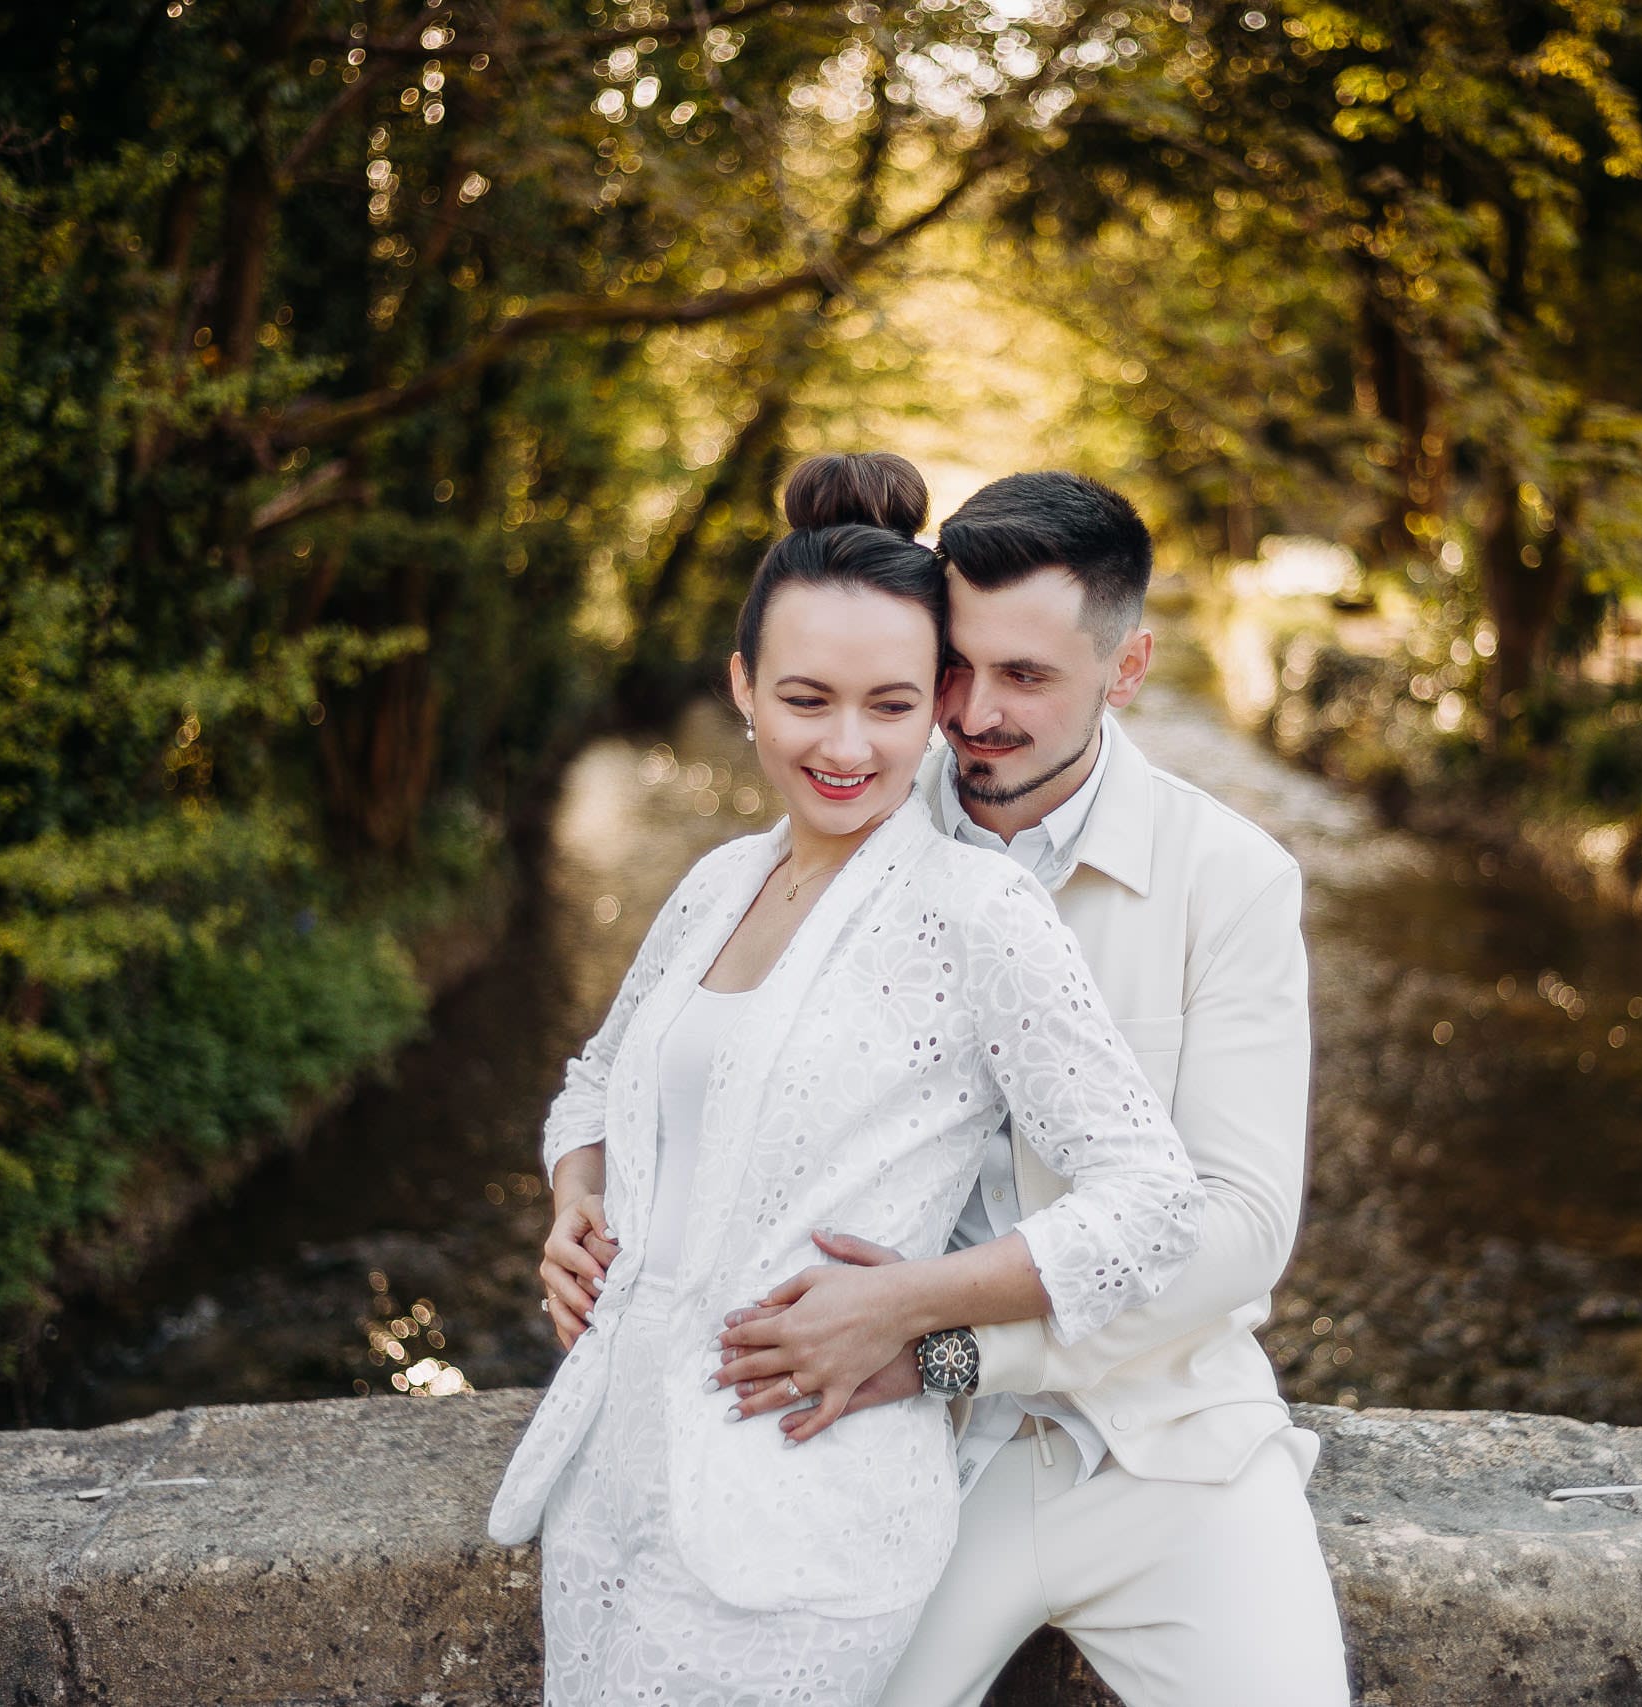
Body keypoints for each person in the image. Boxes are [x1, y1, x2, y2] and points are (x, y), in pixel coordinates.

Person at [488, 453, 1205, 1707]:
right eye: (806, 698)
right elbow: (593, 1079)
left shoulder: (977, 909)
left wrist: (914, 1305)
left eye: (888, 705)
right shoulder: (717, 881)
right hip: (613, 1480)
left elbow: (1149, 1201)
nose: (844, 745)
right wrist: (574, 1201)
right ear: (742, 690)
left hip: (802, 1513)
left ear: (935, 704)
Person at [710, 471, 1351, 1706]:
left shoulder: (1234, 881)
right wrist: (581, 1179)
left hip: (1168, 1450)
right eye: (956, 667)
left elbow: (1239, 1234)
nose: (973, 714)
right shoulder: (855, 830)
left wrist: (937, 1341)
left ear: (1128, 666)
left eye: (1027, 678)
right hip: (902, 1448)